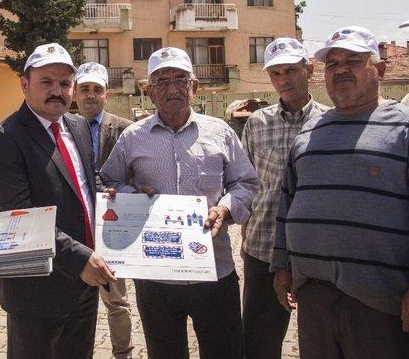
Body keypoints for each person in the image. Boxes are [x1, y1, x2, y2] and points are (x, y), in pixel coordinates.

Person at [101, 47, 258, 359]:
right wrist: (132, 197)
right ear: (148, 92)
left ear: (194, 86)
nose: (171, 88)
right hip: (155, 276)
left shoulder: (220, 132)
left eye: (179, 79)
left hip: (215, 269)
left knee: (225, 352)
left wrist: (225, 209)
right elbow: (109, 182)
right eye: (160, 81)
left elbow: (246, 183)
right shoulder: (132, 137)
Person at [271, 26, 409, 358]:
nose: (341, 69)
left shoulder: (402, 127)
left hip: (379, 299)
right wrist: (282, 265)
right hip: (314, 297)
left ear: (379, 69)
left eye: (353, 60)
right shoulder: (310, 132)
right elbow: (287, 201)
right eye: (332, 64)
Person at [0, 43, 116, 359]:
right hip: (37, 289)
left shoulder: (79, 126)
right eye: (46, 82)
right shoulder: (5, 138)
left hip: (83, 285)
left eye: (64, 83)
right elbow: (22, 217)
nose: (57, 91)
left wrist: (109, 198)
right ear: (25, 85)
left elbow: (84, 181)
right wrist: (81, 258)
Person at [241, 38, 328, 359]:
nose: (284, 79)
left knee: (322, 340)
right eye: (276, 73)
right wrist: (247, 226)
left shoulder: (330, 122)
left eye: (291, 70)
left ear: (310, 70)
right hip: (262, 247)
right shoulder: (256, 124)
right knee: (259, 341)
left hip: (316, 252)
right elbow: (247, 182)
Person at [73, 62, 133, 359]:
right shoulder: (64, 128)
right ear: (75, 92)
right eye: (84, 89)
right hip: (76, 225)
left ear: (106, 94)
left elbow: (134, 172)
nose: (91, 95)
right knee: (74, 300)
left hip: (113, 225)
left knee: (116, 299)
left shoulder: (123, 128)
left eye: (97, 89)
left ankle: (123, 352)